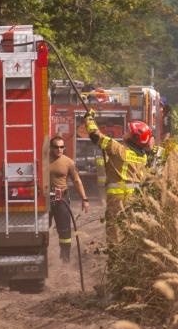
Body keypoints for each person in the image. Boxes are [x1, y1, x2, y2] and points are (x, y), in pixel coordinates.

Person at [84, 111, 153, 247]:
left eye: (128, 131)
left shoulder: (117, 149)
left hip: (117, 199)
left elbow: (95, 135)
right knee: (131, 230)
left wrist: (89, 118)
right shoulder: (143, 157)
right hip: (135, 200)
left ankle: (114, 260)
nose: (125, 132)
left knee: (114, 232)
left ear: (133, 137)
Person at [49, 137, 89, 262]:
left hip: (62, 198)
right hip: (44, 199)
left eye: (62, 147)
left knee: (65, 229)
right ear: (51, 148)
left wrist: (85, 199)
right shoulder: (42, 160)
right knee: (42, 228)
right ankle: (42, 255)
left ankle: (65, 257)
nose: (59, 149)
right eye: (56, 147)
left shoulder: (69, 162)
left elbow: (77, 181)